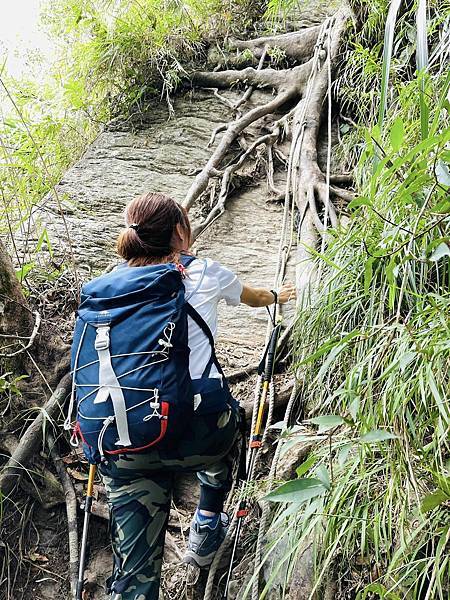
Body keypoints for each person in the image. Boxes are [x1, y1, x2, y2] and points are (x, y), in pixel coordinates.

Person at [99, 192, 296, 600]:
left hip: (123, 438)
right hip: (200, 436)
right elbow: (254, 297)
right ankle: (206, 523)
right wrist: (280, 296)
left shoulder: (103, 289)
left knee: (134, 575)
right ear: (179, 232)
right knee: (229, 427)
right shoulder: (206, 272)